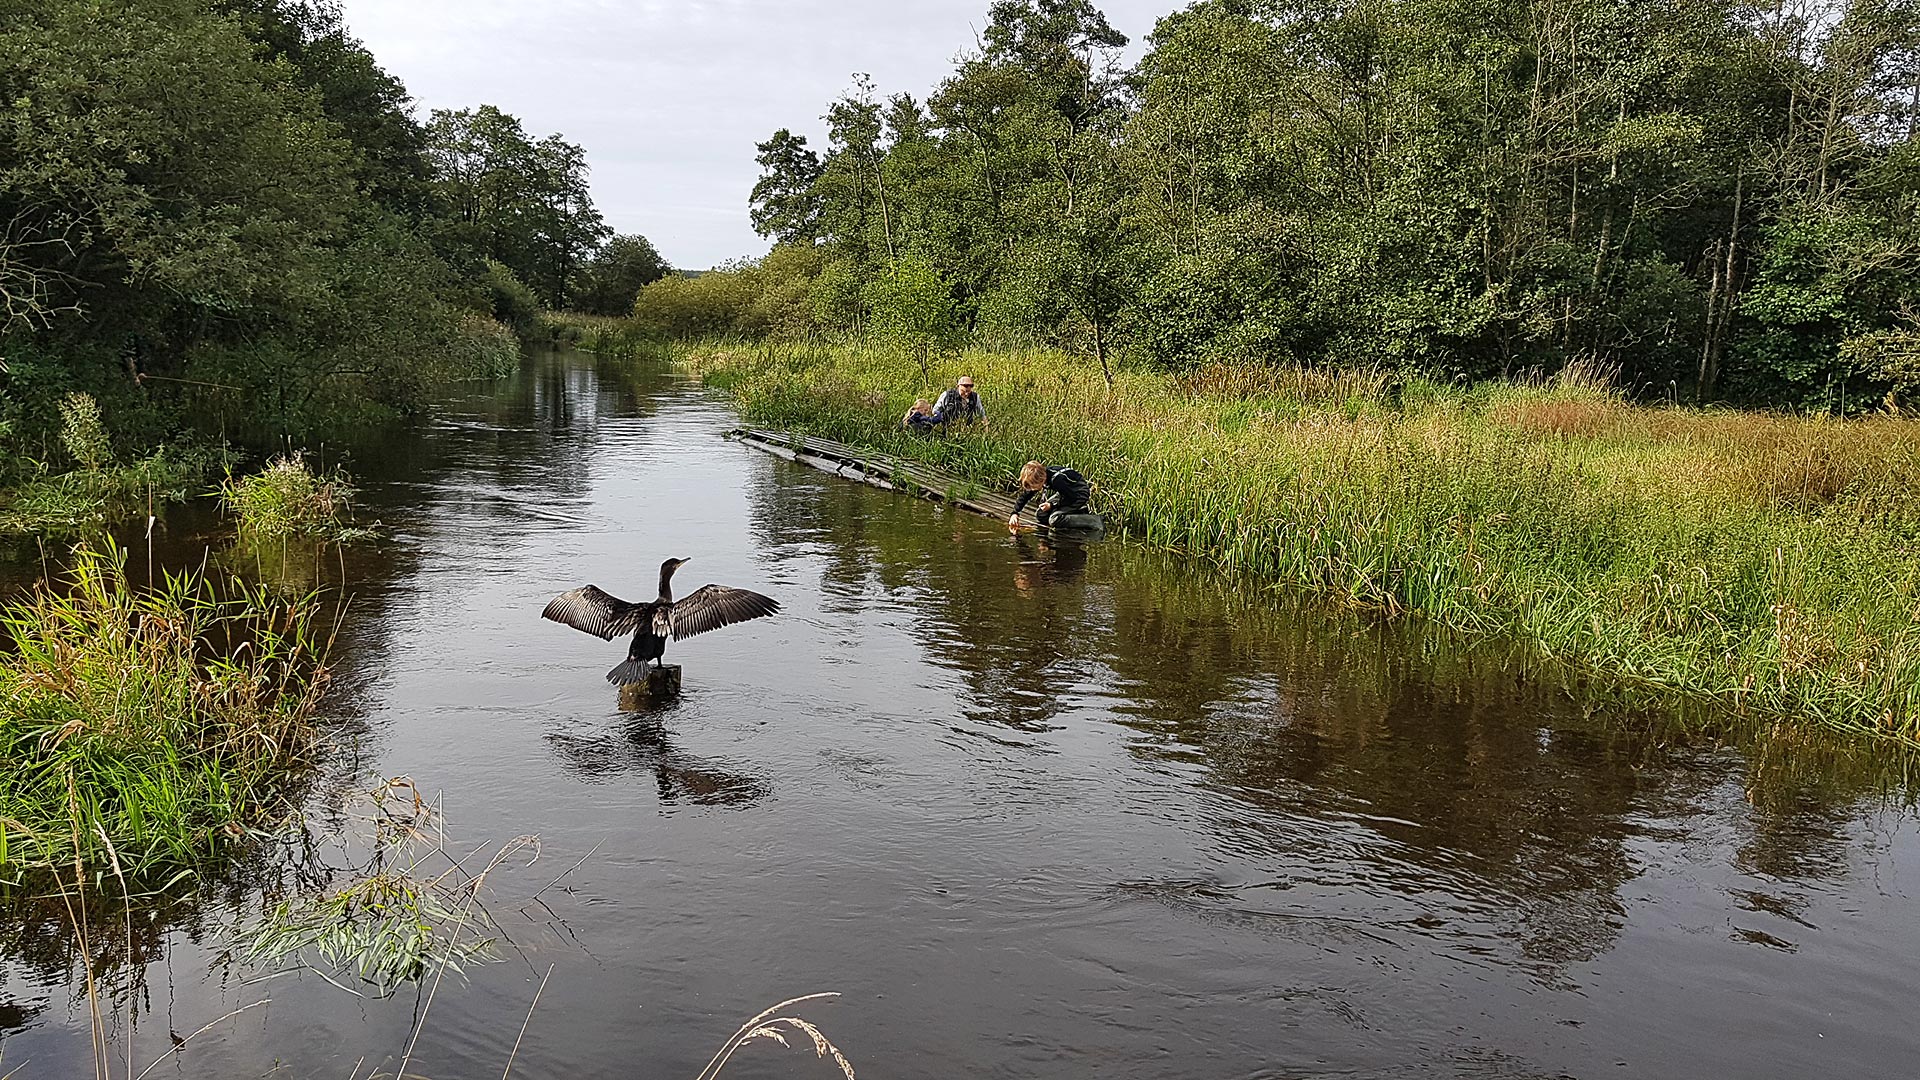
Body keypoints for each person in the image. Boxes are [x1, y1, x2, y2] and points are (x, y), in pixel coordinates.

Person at [1009, 460, 1091, 527]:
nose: (1032, 489)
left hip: (1079, 493)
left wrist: (1051, 505)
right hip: (1066, 492)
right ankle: (1075, 511)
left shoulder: (1057, 480)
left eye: (1033, 486)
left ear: (1041, 480)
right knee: (1041, 515)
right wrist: (1015, 513)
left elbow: (1071, 497)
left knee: (1054, 519)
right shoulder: (1042, 477)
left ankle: (1090, 520)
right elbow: (1025, 495)